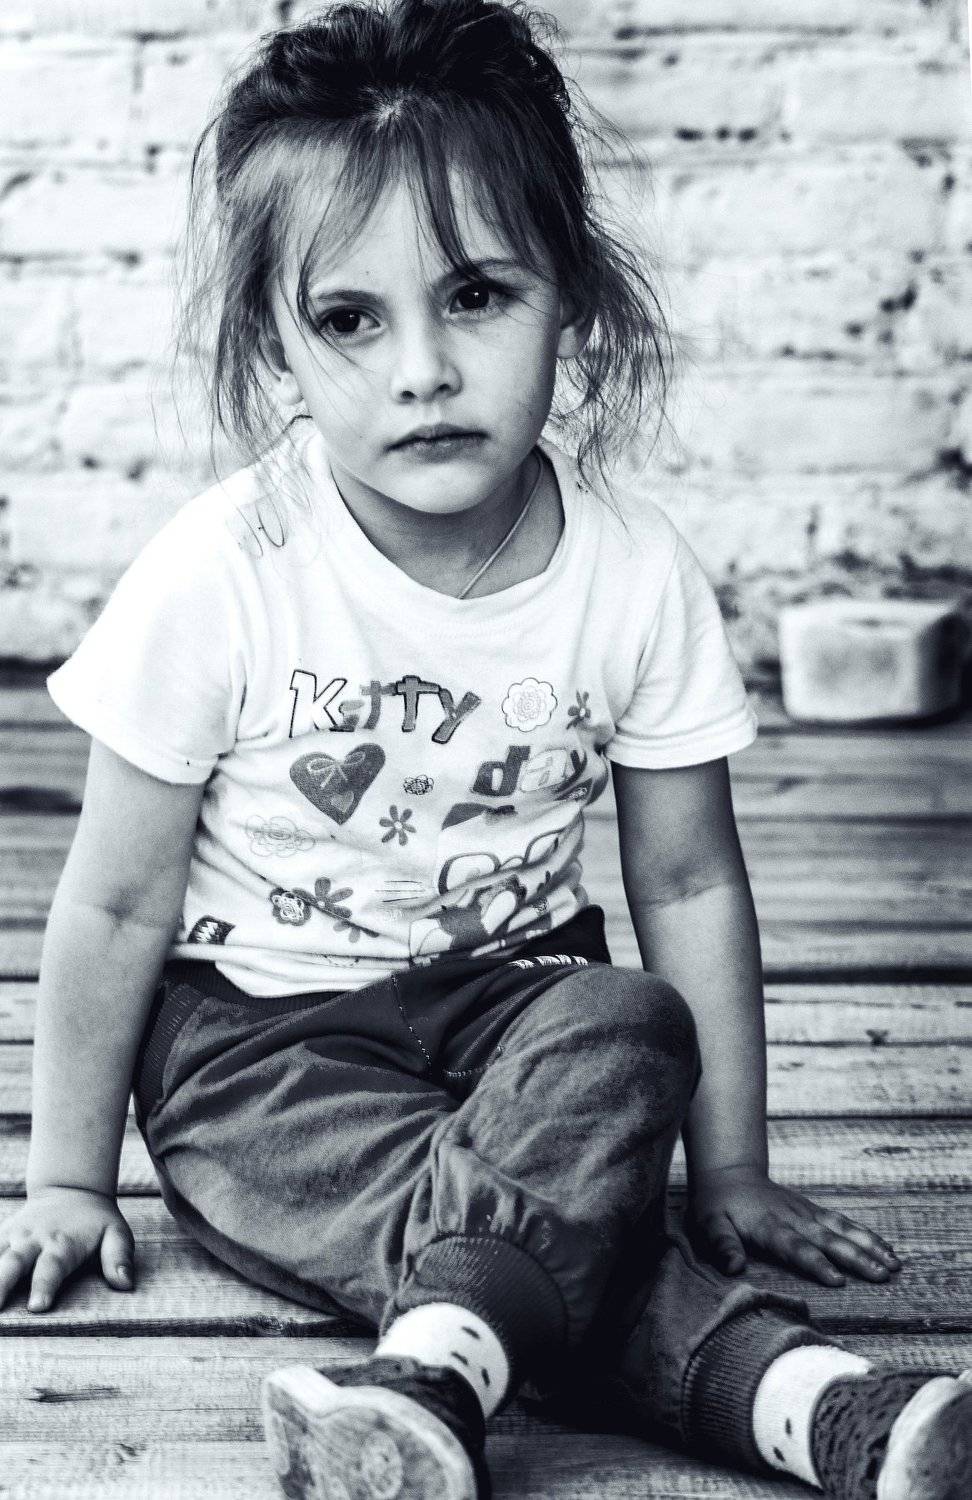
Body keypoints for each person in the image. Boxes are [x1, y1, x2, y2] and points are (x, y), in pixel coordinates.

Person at [2, 2, 969, 1496]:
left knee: (629, 1018)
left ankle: (434, 1371)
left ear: (568, 294)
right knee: (540, 1227)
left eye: (475, 295)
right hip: (263, 1058)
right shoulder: (222, 572)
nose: (423, 369)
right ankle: (818, 1405)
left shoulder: (632, 572)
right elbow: (119, 903)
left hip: (524, 1023)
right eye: (350, 318)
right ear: (274, 347)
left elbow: (689, 881)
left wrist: (731, 1168)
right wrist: (69, 1177)